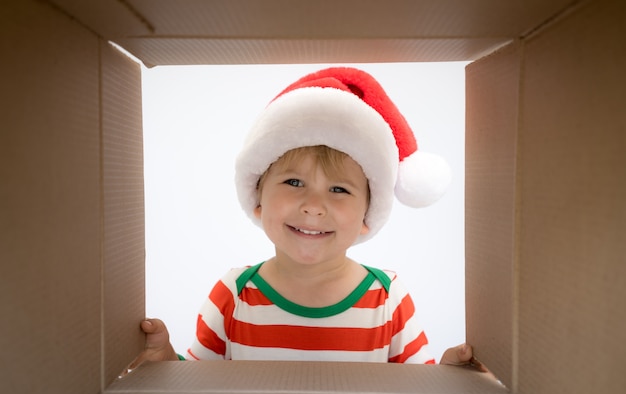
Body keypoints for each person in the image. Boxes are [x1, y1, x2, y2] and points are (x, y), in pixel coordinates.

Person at [129, 67, 484, 370]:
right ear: (258, 201)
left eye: (339, 190)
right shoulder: (234, 295)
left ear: (367, 215)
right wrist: (165, 364)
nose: (314, 206)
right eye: (294, 182)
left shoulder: (388, 299)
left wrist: (449, 377)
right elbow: (199, 388)